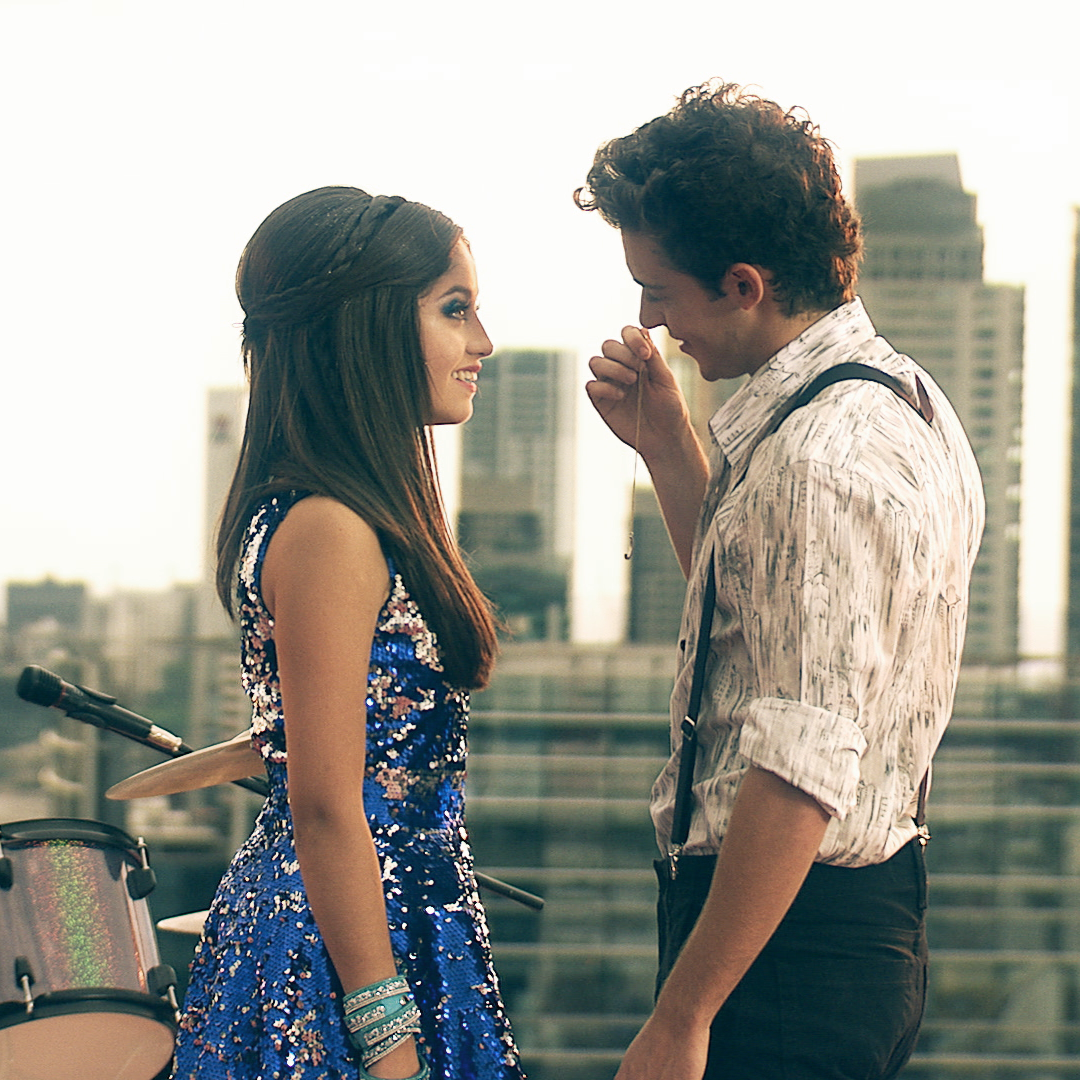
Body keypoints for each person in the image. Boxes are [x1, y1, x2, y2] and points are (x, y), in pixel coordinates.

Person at [575, 82, 985, 1080]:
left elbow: (800, 766)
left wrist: (683, 1018)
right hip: (830, 926)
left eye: (660, 290)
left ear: (744, 285)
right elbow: (764, 629)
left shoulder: (819, 460)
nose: (651, 320)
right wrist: (669, 448)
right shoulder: (903, 402)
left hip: (784, 951)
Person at [172, 186, 525, 1080]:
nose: (483, 342)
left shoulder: (326, 515)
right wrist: (387, 1037)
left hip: (387, 932)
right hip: (345, 960)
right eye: (455, 309)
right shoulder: (331, 529)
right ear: (365, 328)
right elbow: (327, 806)